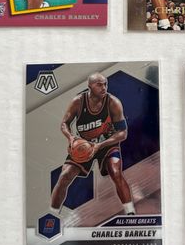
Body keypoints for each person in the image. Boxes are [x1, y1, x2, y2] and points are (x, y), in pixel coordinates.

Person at [51, 73, 135, 216]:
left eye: (105, 84)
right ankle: (52, 214)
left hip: (107, 144)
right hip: (85, 146)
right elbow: (64, 123)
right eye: (99, 84)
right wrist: (71, 138)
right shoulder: (78, 102)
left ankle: (130, 212)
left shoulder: (113, 102)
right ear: (89, 86)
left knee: (116, 173)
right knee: (65, 175)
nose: (104, 88)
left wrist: (100, 145)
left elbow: (123, 133)